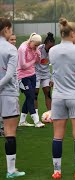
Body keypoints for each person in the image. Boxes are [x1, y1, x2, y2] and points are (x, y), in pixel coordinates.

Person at [49, 18, 75, 179]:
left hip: (58, 96)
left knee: (57, 135)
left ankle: (56, 171)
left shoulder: (52, 50)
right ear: (72, 33)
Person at [0, 17, 26, 178]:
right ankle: (11, 170)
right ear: (6, 29)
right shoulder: (10, 49)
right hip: (8, 94)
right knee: (10, 132)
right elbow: (10, 75)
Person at [17, 32, 45, 128]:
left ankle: (22, 121)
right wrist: (33, 61)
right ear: (31, 41)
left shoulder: (35, 49)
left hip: (32, 74)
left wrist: (38, 54)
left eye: (38, 45)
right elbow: (23, 65)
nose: (36, 47)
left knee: (29, 96)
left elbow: (37, 62)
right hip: (23, 76)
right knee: (31, 96)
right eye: (35, 45)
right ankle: (36, 121)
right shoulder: (22, 49)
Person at [35, 32, 55, 123]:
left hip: (46, 74)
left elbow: (54, 65)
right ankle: (35, 116)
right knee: (35, 94)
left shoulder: (54, 51)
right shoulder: (38, 49)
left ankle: (50, 115)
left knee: (47, 93)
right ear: (45, 44)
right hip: (36, 73)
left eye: (52, 47)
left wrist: (52, 79)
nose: (50, 49)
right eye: (49, 47)